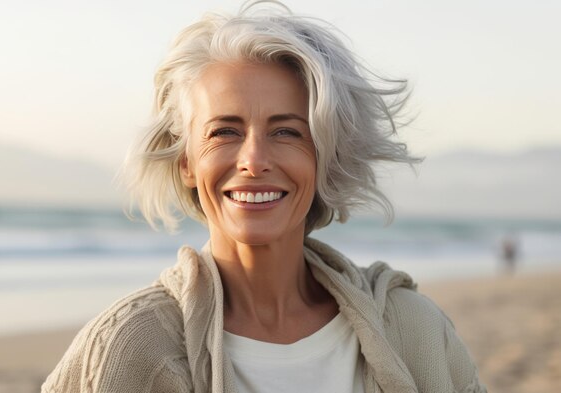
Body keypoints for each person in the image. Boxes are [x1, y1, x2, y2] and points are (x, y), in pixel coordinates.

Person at [42, 1, 486, 392]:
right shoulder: (129, 345)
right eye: (224, 131)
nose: (254, 159)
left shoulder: (415, 328)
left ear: (325, 158)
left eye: (287, 132)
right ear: (186, 162)